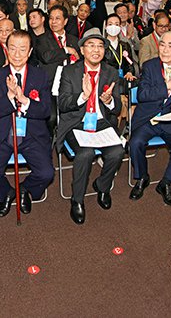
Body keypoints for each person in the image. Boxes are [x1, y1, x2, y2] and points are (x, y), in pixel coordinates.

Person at [0, 30, 53, 217]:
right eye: (12, 49)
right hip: (2, 134)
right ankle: (6, 193)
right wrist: (9, 98)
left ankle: (25, 190)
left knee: (46, 173)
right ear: (6, 50)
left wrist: (25, 100)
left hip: (32, 134)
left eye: (22, 49)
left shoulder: (41, 76)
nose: (17, 54)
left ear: (30, 52)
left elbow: (46, 110)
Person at [58, 29, 123, 224]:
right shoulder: (70, 71)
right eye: (91, 45)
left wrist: (109, 101)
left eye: (100, 46)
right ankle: (77, 199)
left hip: (101, 122)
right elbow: (63, 104)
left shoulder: (111, 72)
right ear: (82, 50)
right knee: (85, 153)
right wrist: (83, 96)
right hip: (76, 123)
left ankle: (102, 186)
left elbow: (117, 108)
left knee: (117, 152)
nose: (96, 50)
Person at [128, 31, 171, 206]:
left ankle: (166, 183)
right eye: (162, 45)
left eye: (170, 46)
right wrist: (166, 86)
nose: (165, 50)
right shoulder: (149, 66)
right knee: (135, 143)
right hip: (148, 118)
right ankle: (142, 177)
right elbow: (142, 95)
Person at [103, 13, 138, 88]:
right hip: (106, 80)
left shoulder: (125, 45)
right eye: (110, 24)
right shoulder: (101, 45)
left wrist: (129, 72)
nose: (113, 27)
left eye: (116, 24)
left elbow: (130, 63)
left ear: (120, 27)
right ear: (106, 27)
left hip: (122, 80)